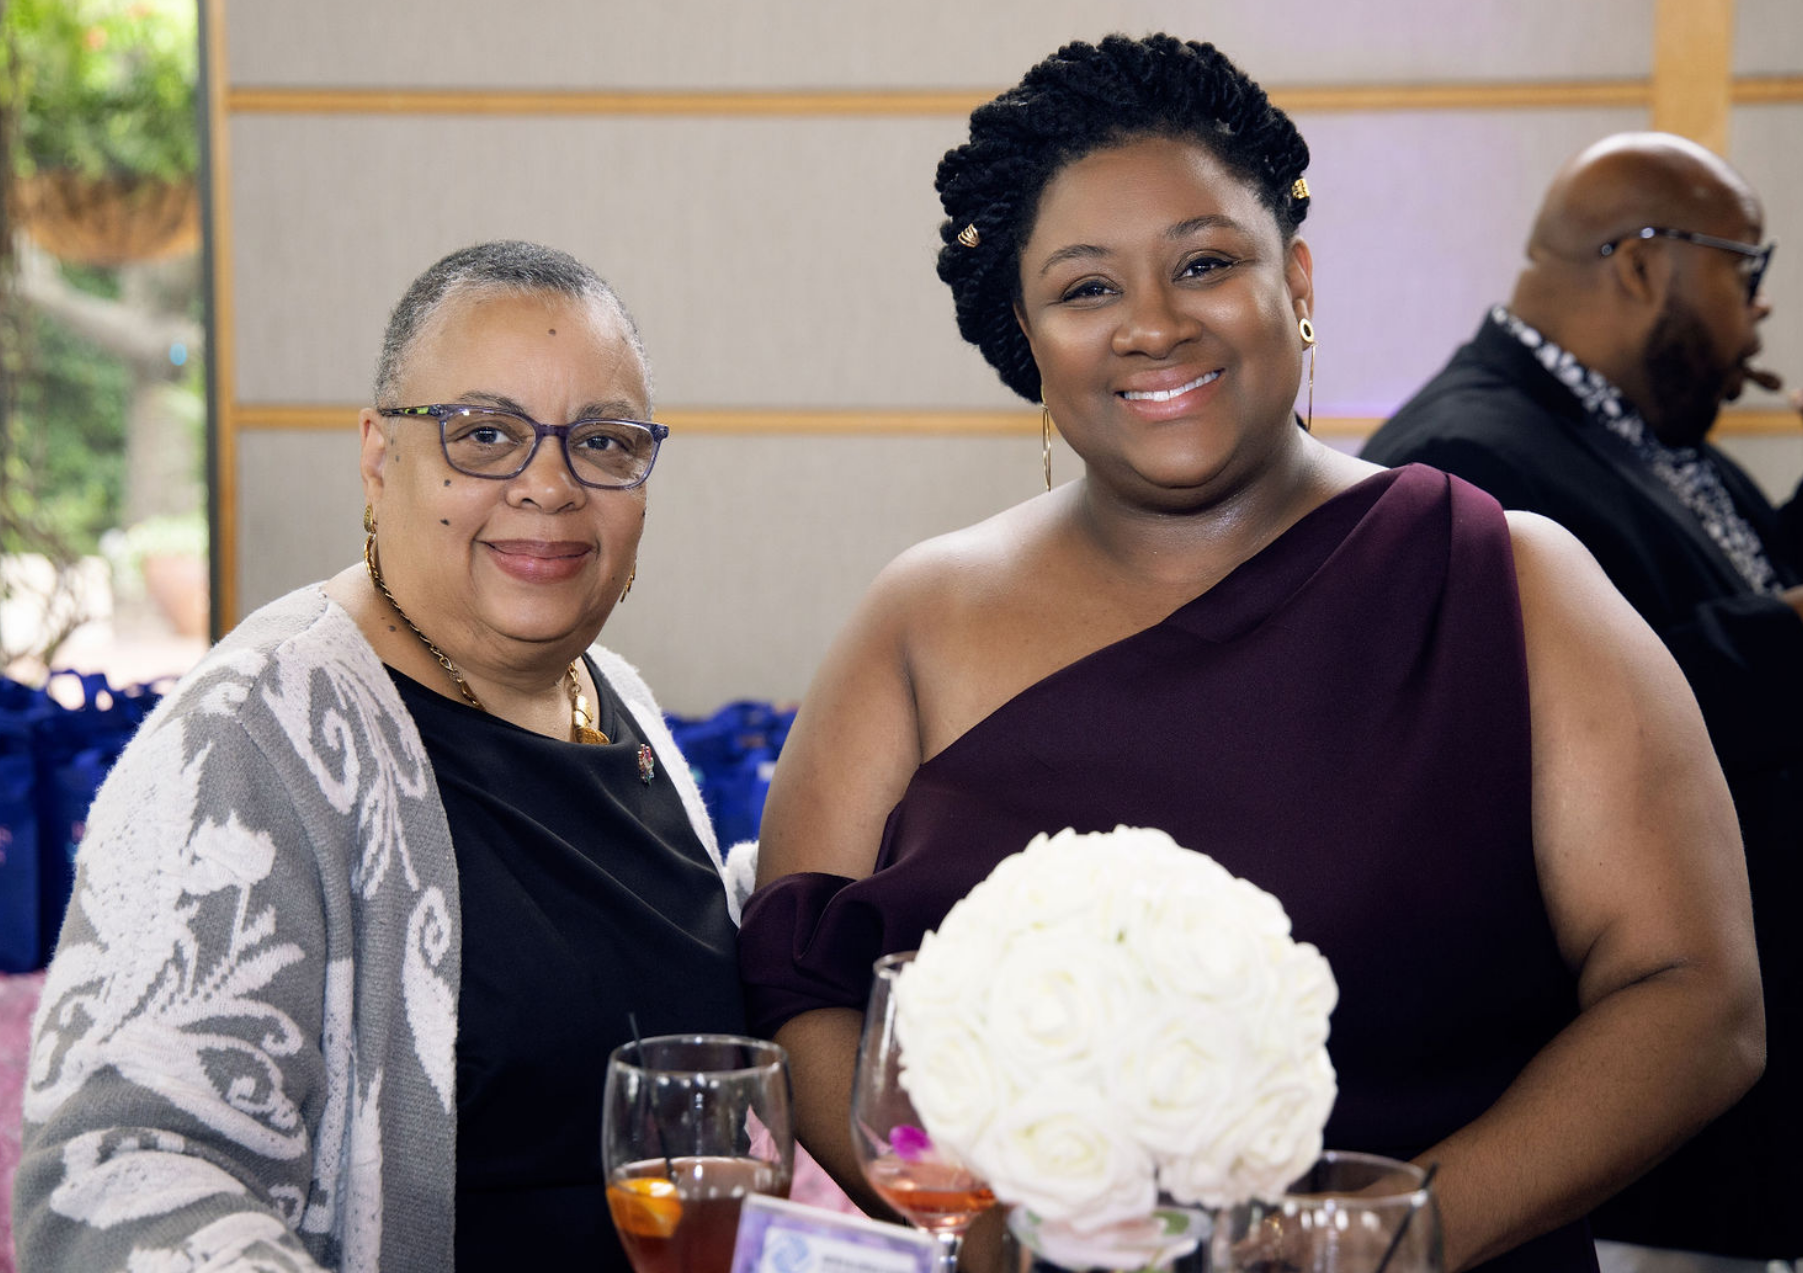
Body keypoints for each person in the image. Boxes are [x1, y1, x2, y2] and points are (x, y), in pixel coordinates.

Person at [737, 36, 1763, 1273]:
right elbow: (801, 988)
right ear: (1027, 330)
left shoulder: (1509, 581)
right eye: (1086, 288)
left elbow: (1693, 993)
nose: (1154, 325)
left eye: (1206, 263)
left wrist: (1397, 1232)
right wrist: (988, 1226)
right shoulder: (917, 616)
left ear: (1299, 277)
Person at [14, 241, 746, 1272]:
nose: (550, 485)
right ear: (377, 456)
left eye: (604, 441)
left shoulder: (613, 693)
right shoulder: (255, 732)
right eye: (483, 434)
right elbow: (114, 1177)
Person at [1360, 134, 1800, 1267]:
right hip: (1645, 1179)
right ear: (1646, 263)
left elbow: (1733, 593)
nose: (1760, 314)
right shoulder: (1464, 458)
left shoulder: (1649, 445)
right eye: (1747, 269)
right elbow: (1544, 764)